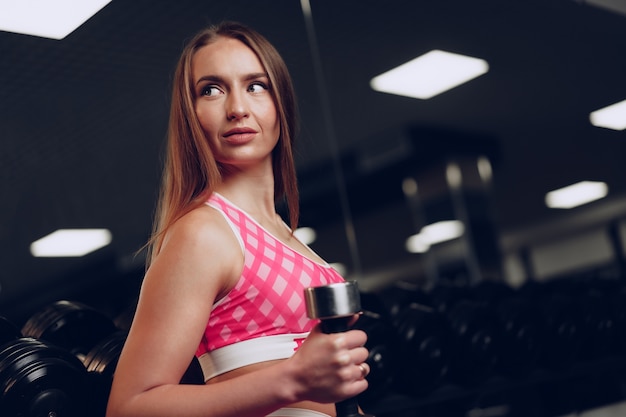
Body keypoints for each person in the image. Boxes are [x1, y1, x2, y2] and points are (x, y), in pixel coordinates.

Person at [105, 21, 370, 417]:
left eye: (256, 85)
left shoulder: (285, 236)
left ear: (281, 104)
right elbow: (129, 407)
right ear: (190, 116)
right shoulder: (204, 233)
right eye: (211, 90)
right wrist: (292, 379)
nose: (237, 108)